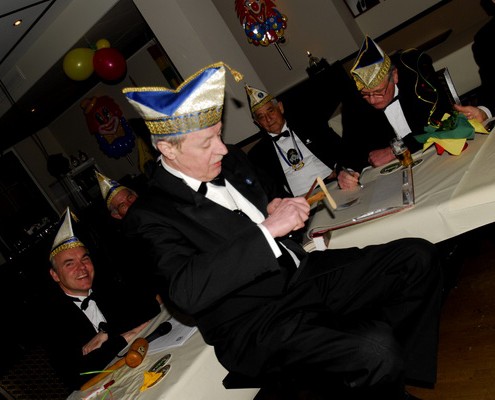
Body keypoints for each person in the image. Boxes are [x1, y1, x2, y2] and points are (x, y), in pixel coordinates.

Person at [121, 62, 443, 399]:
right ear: (167, 149)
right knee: (374, 348)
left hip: (303, 275)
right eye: (206, 143)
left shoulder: (232, 160)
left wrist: (273, 209)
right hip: (253, 320)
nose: (221, 148)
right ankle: (378, 371)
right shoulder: (148, 214)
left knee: (417, 258)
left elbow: (267, 201)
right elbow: (185, 290)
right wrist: (266, 231)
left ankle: (390, 378)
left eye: (219, 135)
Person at [339, 36, 491, 190]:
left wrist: (394, 151)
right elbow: (351, 147)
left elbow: (438, 123)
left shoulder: (416, 74)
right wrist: (347, 171)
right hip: (396, 180)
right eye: (366, 94)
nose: (372, 100)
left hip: (442, 159)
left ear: (395, 76)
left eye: (379, 92)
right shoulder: (354, 99)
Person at [38, 207, 160, 390]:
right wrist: (122, 338)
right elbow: (76, 375)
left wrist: (107, 333)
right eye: (70, 264)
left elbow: (150, 306)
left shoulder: (106, 287)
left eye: (85, 259)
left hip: (141, 363)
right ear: (55, 275)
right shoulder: (51, 318)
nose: (82, 268)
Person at [245, 84, 342, 197]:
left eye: (270, 111)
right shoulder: (257, 155)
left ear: (280, 107)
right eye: (261, 117)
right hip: (299, 201)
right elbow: (268, 191)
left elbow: (341, 147)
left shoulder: (310, 124)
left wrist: (340, 169)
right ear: (258, 123)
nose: (268, 119)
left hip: (332, 184)